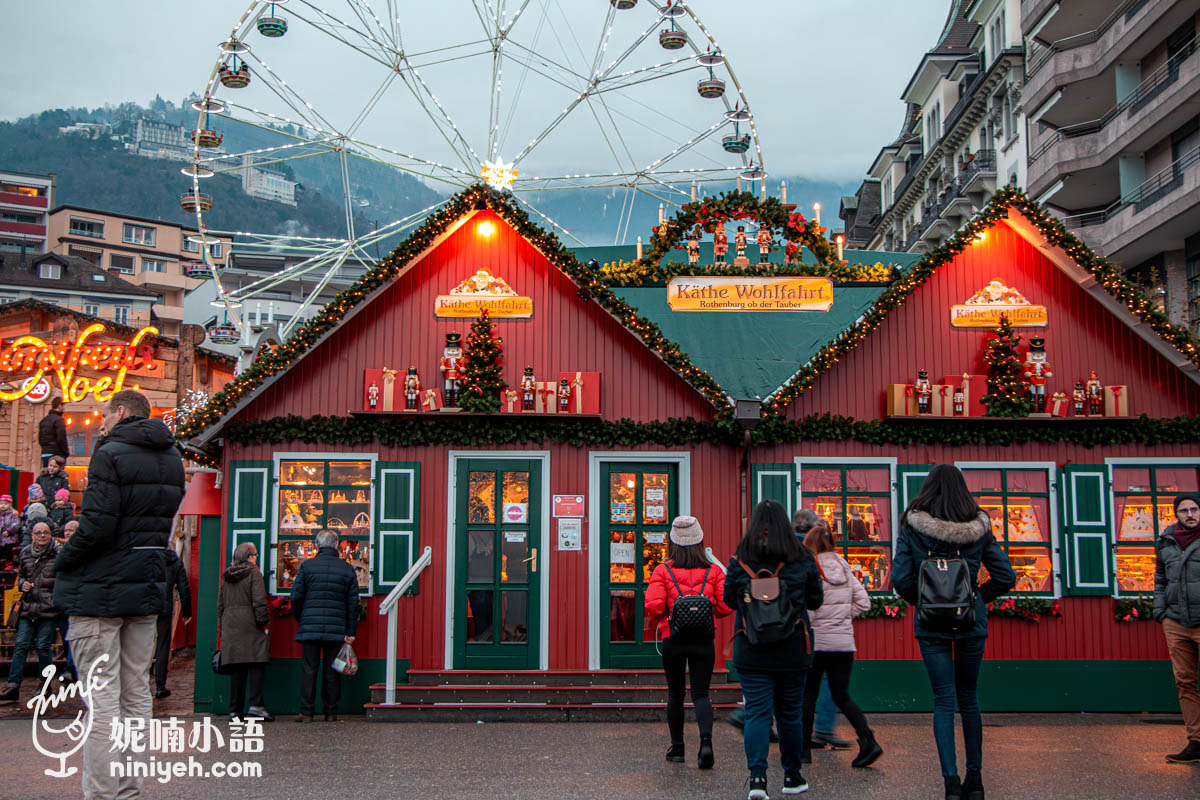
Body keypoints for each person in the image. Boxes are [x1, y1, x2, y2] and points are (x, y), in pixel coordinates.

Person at [53, 389, 186, 800]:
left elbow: (96, 524)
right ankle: (129, 789)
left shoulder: (110, 453)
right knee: (135, 693)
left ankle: (100, 792)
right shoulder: (173, 457)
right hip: (145, 585)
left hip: (100, 588)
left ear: (122, 412)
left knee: (102, 698)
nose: (102, 423)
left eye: (105, 415)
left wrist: (63, 558)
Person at [892, 464, 1015, 800]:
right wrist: (976, 599)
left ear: (928, 488)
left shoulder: (914, 525)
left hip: (931, 627)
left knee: (944, 701)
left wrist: (927, 602)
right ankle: (974, 780)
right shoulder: (978, 526)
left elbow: (900, 579)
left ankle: (950, 784)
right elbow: (1005, 576)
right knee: (969, 700)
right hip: (970, 623)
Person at [724, 500, 823, 799]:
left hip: (752, 647)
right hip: (793, 648)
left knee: (756, 714)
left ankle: (757, 780)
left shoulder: (741, 556)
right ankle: (792, 776)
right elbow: (816, 599)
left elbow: (729, 600)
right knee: (790, 715)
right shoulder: (802, 555)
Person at [644, 515, 732, 768]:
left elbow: (653, 606)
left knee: (675, 693)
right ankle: (706, 745)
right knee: (702, 694)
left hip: (674, 638)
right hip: (704, 640)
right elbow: (726, 607)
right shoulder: (713, 571)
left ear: (673, 542)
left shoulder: (663, 570)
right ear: (699, 540)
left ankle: (678, 748)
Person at [801, 522, 881, 768]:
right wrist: (844, 617)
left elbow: (809, 608)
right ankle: (868, 740)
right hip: (843, 644)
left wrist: (814, 622)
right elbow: (864, 602)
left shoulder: (811, 568)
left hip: (816, 643)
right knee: (842, 695)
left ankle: (803, 750)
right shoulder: (845, 567)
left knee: (808, 696)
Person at [291, 528, 360, 722]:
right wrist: (350, 631)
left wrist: (301, 617)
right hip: (336, 629)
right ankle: (331, 711)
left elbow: (296, 597)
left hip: (310, 626)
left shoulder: (307, 567)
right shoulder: (347, 569)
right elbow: (352, 603)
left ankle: (306, 712)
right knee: (332, 671)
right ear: (336, 546)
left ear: (317, 545)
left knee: (309, 669)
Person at [1154, 493, 1200, 763]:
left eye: (1194, 509)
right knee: (1185, 682)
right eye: (1184, 511)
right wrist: (1161, 612)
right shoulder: (1167, 542)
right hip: (1176, 621)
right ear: (1177, 514)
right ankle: (1196, 742)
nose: (1190, 514)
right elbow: (1160, 579)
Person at [0, 522, 61, 703]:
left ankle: (45, 684)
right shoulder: (26, 552)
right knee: (20, 646)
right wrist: (22, 584)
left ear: (50, 535)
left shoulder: (57, 553)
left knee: (43, 646)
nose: (42, 536)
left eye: (45, 533)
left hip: (48, 608)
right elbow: (22, 576)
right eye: (38, 533)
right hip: (28, 607)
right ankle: (13, 686)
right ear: (32, 535)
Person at [218, 542, 274, 721]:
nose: (257, 557)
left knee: (237, 668)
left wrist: (222, 627)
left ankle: (235, 710)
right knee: (257, 663)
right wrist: (264, 624)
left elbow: (220, 604)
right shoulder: (254, 573)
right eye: (255, 554)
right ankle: (256, 705)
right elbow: (259, 601)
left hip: (231, 624)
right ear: (250, 557)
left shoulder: (226, 575)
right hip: (250, 623)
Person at [153, 547, 193, 700]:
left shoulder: (148, 556)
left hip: (145, 606)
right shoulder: (174, 560)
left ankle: (140, 682)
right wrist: (186, 612)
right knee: (163, 645)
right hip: (164, 606)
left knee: (142, 644)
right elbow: (184, 587)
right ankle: (160, 685)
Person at [37, 397, 68, 469]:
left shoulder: (43, 420)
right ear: (59, 406)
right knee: (58, 476)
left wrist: (45, 448)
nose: (64, 408)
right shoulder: (58, 420)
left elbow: (40, 439)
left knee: (46, 474)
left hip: (45, 453)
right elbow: (61, 438)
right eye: (63, 406)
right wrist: (65, 452)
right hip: (56, 453)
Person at [0, 494, 20, 565]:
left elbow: (16, 524)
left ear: (10, 505)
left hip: (10, 538)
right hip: (1, 538)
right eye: (1, 503)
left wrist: (9, 531)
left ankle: (9, 564)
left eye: (5, 504)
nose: (3, 505)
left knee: (8, 551)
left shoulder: (13, 514)